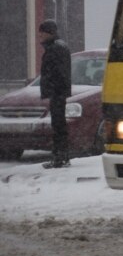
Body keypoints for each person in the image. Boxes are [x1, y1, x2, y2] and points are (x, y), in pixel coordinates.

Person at [38, 20, 72, 169]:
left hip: (57, 92)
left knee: (58, 125)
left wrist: (53, 88)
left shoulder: (56, 48)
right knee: (58, 124)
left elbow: (57, 72)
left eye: (42, 33)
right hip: (58, 92)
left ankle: (60, 157)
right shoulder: (57, 47)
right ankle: (61, 156)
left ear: (49, 33)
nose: (40, 36)